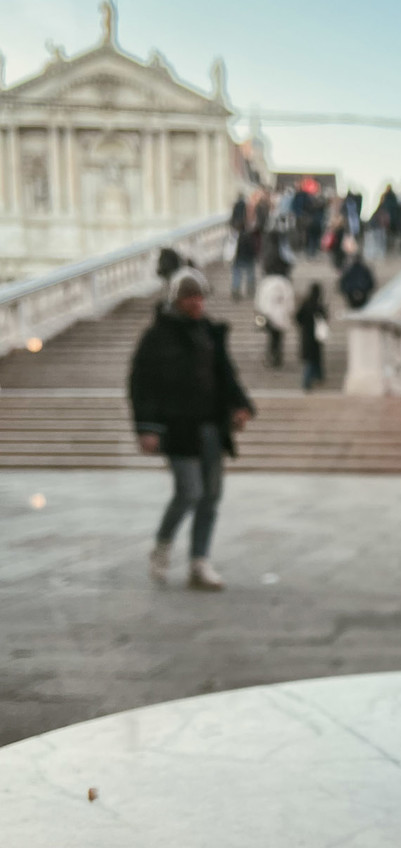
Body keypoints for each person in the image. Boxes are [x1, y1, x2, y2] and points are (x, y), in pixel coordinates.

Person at [129, 268, 255, 591]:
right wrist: (147, 427)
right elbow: (141, 385)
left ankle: (199, 562)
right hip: (178, 428)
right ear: (178, 300)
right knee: (189, 492)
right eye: (191, 298)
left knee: (211, 496)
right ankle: (163, 545)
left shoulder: (209, 333)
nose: (198, 303)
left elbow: (226, 375)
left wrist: (240, 405)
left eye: (200, 297)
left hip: (212, 425)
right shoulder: (157, 337)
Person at [255, 265, 295, 368]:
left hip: (267, 313)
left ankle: (270, 356)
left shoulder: (265, 283)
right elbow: (289, 299)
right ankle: (277, 357)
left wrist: (259, 311)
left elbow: (259, 298)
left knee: (271, 337)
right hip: (281, 314)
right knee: (278, 338)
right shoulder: (285, 283)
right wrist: (290, 311)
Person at [295, 282, 329, 392]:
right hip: (316, 337)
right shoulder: (318, 306)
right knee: (313, 359)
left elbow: (298, 317)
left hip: (306, 335)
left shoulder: (306, 304)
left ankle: (318, 377)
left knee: (312, 359)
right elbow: (324, 319)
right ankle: (308, 381)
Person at [231, 226, 258, 299]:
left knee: (237, 275)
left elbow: (233, 249)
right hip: (248, 258)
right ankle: (250, 289)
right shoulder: (250, 237)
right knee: (250, 274)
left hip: (239, 258)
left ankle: (236, 290)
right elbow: (253, 249)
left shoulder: (237, 237)